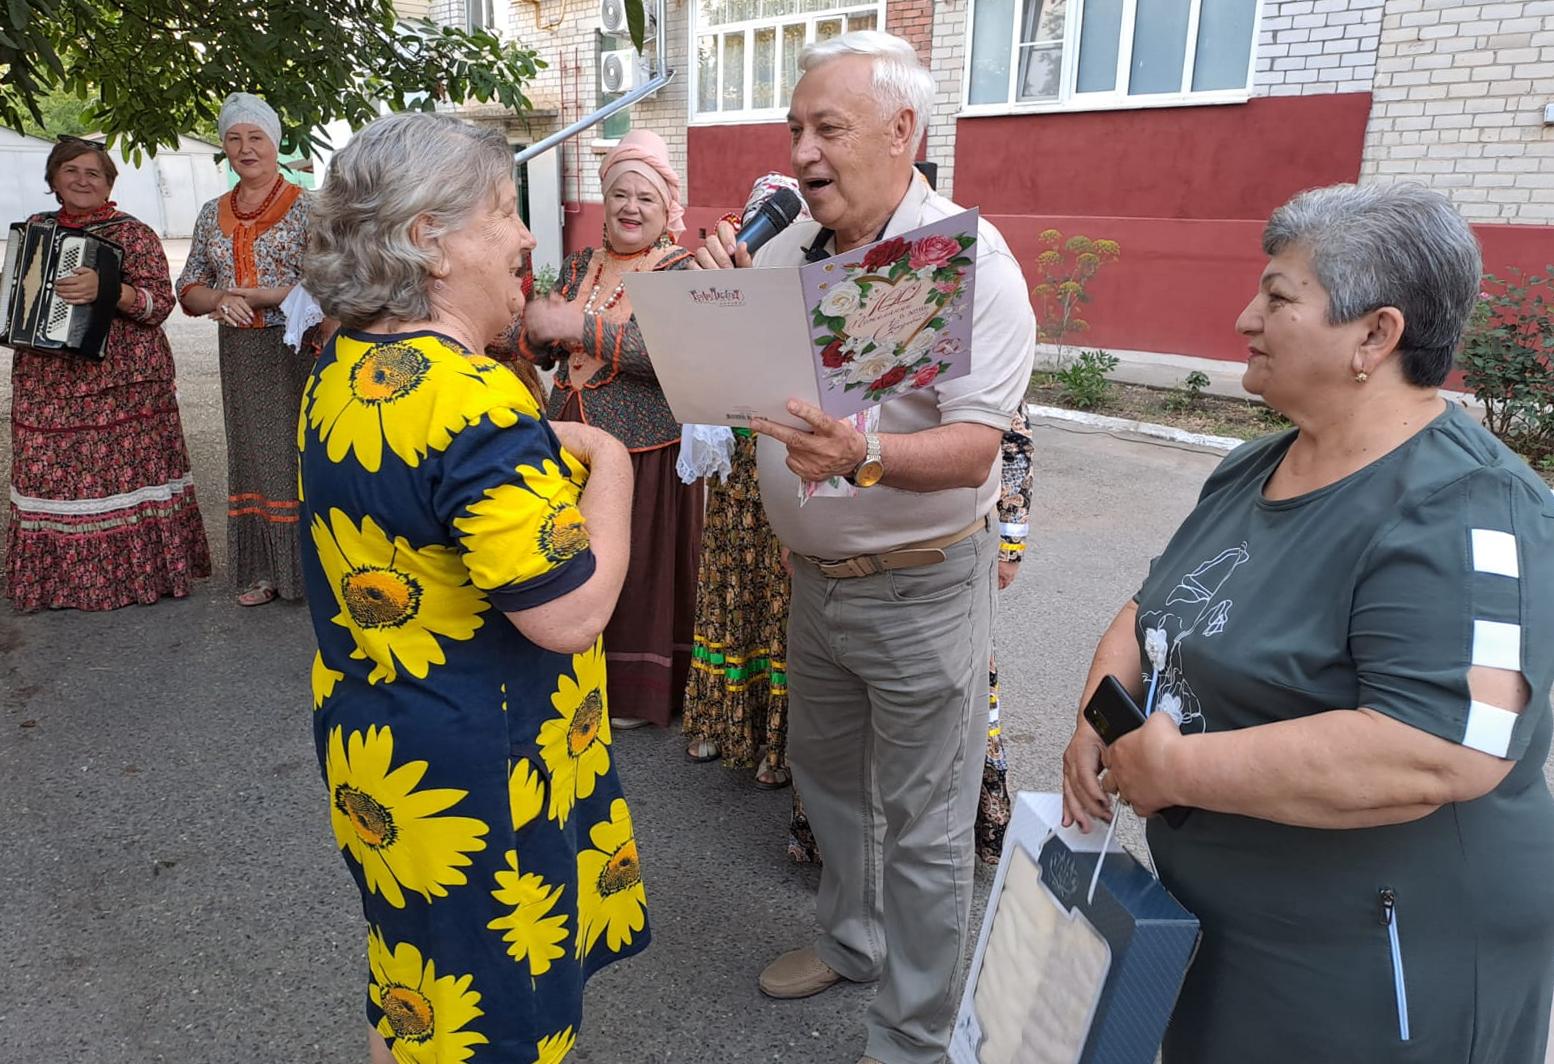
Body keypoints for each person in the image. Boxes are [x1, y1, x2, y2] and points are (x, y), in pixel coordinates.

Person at [1061, 183, 1554, 1064]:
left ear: (1376, 335)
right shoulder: (1255, 466)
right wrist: (1100, 711)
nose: (1247, 317)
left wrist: (1176, 767)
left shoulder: (1468, 509)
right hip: (1228, 934)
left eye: (1280, 297)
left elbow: (1440, 750)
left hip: (1376, 969)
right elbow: (1155, 608)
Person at [693, 31, 1037, 1064]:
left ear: (903, 133)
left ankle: (915, 1034)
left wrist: (867, 455)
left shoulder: (969, 262)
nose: (802, 151)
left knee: (926, 824)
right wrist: (710, 298)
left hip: (922, 586)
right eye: (795, 128)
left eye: (826, 129)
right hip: (815, 584)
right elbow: (739, 389)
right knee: (829, 780)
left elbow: (979, 448)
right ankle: (852, 938)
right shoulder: (793, 248)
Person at [300, 111, 647, 1064]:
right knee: (496, 1024)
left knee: (417, 992)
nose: (528, 235)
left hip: (386, 755)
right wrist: (608, 464)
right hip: (479, 777)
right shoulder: (475, 402)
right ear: (428, 240)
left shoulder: (349, 364)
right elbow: (570, 613)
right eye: (502, 211)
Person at [511, 130, 701, 730]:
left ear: (668, 209)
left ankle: (632, 690)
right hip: (569, 434)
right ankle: (568, 664)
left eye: (645, 198)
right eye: (619, 194)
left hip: (643, 444)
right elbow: (546, 346)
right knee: (569, 554)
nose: (630, 208)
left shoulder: (680, 268)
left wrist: (576, 323)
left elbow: (672, 354)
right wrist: (537, 336)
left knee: (633, 564)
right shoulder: (579, 264)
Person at [789, 411, 1035, 865]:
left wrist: (1010, 546)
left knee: (931, 754)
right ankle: (851, 860)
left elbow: (1012, 446)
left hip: (932, 571)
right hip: (834, 566)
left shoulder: (974, 351)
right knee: (845, 739)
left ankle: (928, 860)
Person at [5, 136, 211, 612]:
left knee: (127, 479)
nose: (82, 180)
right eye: (71, 171)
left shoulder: (133, 233)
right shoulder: (35, 228)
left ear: (109, 183)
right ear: (53, 180)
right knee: (48, 475)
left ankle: (138, 580)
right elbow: (18, 292)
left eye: (93, 173)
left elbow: (160, 305)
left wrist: (110, 290)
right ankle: (60, 585)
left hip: (125, 384)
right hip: (46, 383)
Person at [682, 174, 810, 789]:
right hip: (734, 481)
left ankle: (778, 744)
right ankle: (728, 725)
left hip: (788, 468)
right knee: (734, 593)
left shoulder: (806, 282)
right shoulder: (726, 279)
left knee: (779, 604)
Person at [177, 92, 310, 606]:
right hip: (238, 351)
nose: (245, 147)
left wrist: (263, 296)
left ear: (275, 143)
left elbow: (331, 285)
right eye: (234, 138)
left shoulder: (308, 209)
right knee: (252, 457)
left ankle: (309, 572)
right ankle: (265, 573)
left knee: (297, 454)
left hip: (297, 348)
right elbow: (188, 286)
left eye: (256, 137)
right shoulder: (213, 213)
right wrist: (218, 300)